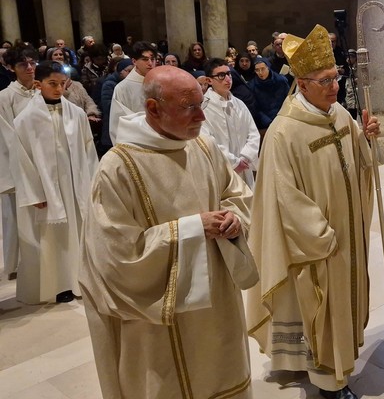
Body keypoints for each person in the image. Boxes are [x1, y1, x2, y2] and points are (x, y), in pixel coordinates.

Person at [80, 65, 257, 399]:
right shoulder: (118, 168)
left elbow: (236, 193)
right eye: (188, 107)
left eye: (200, 104)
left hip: (218, 299)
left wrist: (234, 217)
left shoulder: (203, 148)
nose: (201, 117)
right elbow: (115, 256)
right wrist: (192, 228)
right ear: (153, 109)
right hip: (160, 316)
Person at [246, 24, 381, 399]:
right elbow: (283, 197)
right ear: (302, 84)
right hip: (321, 245)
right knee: (323, 311)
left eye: (335, 77)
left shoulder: (339, 115)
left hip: (347, 235)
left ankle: (335, 367)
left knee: (343, 308)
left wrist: (367, 140)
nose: (334, 87)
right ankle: (329, 385)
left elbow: (360, 164)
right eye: (324, 81)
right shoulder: (283, 133)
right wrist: (322, 236)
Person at [13, 60, 99, 304]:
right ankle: (59, 286)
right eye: (52, 84)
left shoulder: (76, 113)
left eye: (62, 84)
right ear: (38, 85)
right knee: (55, 240)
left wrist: (93, 182)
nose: (59, 89)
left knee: (79, 233)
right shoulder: (25, 119)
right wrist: (34, 193)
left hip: (75, 185)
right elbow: (23, 160)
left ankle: (81, 280)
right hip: (48, 190)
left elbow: (88, 150)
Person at [0, 48, 39, 281]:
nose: (30, 68)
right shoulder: (5, 97)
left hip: (41, 160)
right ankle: (17, 263)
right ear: (11, 68)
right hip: (18, 161)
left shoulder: (41, 91)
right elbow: (6, 136)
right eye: (23, 64)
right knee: (16, 215)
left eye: (32, 62)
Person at [201, 58, 261, 189]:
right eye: (221, 75)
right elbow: (208, 142)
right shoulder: (204, 109)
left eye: (229, 74)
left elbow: (253, 133)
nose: (228, 79)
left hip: (244, 167)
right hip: (222, 170)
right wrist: (234, 162)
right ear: (209, 80)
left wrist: (245, 157)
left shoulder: (239, 104)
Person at [108, 41, 157, 143]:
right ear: (134, 61)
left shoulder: (161, 82)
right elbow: (119, 123)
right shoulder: (122, 88)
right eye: (145, 59)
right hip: (138, 142)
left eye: (152, 59)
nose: (150, 63)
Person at [247, 57, 289, 140]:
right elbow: (255, 108)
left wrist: (282, 117)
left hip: (283, 118)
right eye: (257, 70)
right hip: (265, 124)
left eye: (263, 69)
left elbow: (288, 100)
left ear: (268, 68)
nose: (260, 72)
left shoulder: (281, 81)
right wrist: (269, 122)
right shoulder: (252, 86)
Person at [99, 59, 134, 153]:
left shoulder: (130, 84)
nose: (131, 74)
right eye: (129, 71)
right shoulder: (110, 84)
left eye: (133, 71)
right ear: (120, 71)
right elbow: (108, 105)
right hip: (112, 126)